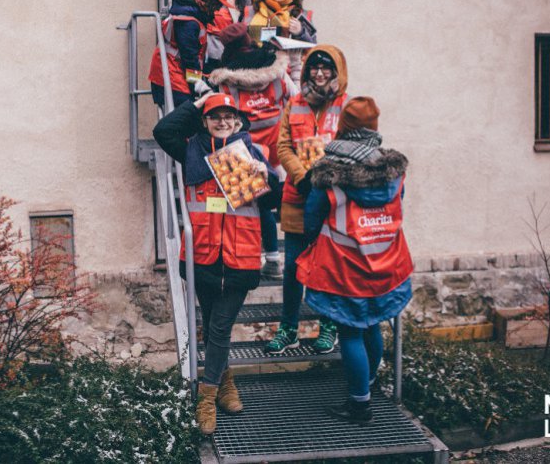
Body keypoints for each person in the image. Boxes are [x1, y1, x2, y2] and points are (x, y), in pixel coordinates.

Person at [153, 92, 280, 436]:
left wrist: (260, 177)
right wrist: (197, 103)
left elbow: (275, 203)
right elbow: (163, 130)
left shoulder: (253, 153)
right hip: (203, 257)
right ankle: (226, 384)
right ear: (205, 122)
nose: (222, 122)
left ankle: (205, 398)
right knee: (211, 327)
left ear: (239, 122)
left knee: (220, 327)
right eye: (214, 116)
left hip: (239, 258)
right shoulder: (192, 150)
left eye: (229, 116)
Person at [297, 97, 413, 426]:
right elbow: (396, 206)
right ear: (374, 129)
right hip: (386, 265)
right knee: (372, 325)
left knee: (349, 334)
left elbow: (312, 218)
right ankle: (369, 382)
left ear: (343, 129)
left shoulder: (330, 173)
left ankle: (359, 404)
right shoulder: (393, 173)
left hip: (345, 268)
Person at [265, 46, 347, 356]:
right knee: (292, 270)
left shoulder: (345, 105)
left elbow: (351, 147)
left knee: (328, 267)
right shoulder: (295, 103)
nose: (320, 73)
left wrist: (325, 179)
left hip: (331, 201)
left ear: (337, 72)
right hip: (298, 196)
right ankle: (289, 329)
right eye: (314, 67)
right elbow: (283, 146)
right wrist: (301, 177)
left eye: (327, 68)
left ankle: (328, 326)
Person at [208, 22, 296, 278]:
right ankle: (275, 260)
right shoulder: (277, 71)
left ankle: (251, 260)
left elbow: (219, 112)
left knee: (252, 206)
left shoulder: (226, 82)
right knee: (274, 205)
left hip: (245, 150)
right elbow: (296, 96)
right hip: (278, 149)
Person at [148, 0, 228, 109]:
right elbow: (189, 57)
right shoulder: (189, 22)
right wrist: (197, 85)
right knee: (184, 118)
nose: (218, 9)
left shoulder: (189, 13)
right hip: (172, 78)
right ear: (209, 1)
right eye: (217, 4)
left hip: (170, 75)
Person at [246, 0, 315, 85]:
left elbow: (312, 49)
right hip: (258, 73)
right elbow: (243, 42)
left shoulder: (301, 14)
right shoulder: (251, 11)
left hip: (293, 76)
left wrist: (301, 33)